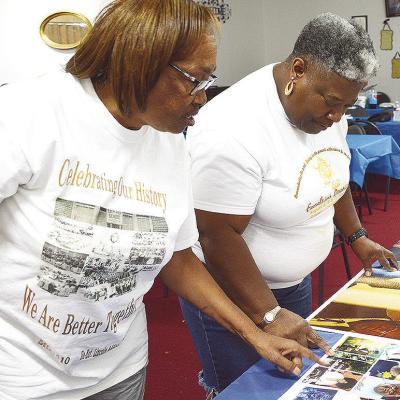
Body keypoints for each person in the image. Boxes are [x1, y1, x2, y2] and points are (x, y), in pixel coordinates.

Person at [0, 1, 328, 399]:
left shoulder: (168, 141)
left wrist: (255, 333)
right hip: (24, 376)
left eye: (209, 81)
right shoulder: (29, 113)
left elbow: (178, 257)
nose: (202, 98)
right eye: (194, 80)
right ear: (138, 60)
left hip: (120, 368)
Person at [180, 12, 398, 397]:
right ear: (298, 69)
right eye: (331, 103)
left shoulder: (329, 109)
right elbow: (216, 235)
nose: (336, 118)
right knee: (246, 390)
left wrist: (357, 236)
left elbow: (334, 175)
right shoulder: (231, 127)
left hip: (291, 286)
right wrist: (268, 313)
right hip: (234, 295)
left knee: (294, 385)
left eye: (344, 108)